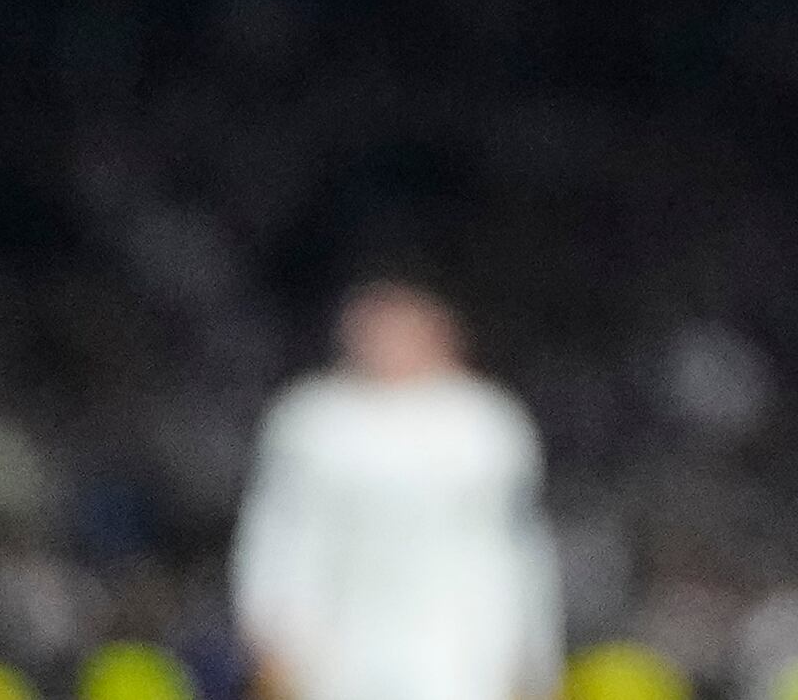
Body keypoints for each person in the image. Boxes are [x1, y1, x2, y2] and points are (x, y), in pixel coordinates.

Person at [235, 282, 564, 700]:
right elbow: (279, 536)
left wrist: (532, 653)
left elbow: (516, 547)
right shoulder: (313, 421)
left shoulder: (483, 423)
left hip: (460, 647)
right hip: (339, 644)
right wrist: (270, 631)